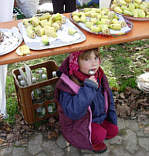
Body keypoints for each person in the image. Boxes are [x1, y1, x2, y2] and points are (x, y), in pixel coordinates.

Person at [55, 48, 118, 153]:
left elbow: (108, 97)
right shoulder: (67, 84)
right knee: (100, 135)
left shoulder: (99, 75)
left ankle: (97, 128)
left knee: (113, 130)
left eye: (96, 57)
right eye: (87, 59)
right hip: (79, 124)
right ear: (75, 62)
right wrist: (88, 88)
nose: (94, 63)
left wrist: (111, 117)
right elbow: (73, 112)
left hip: (98, 117)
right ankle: (92, 142)